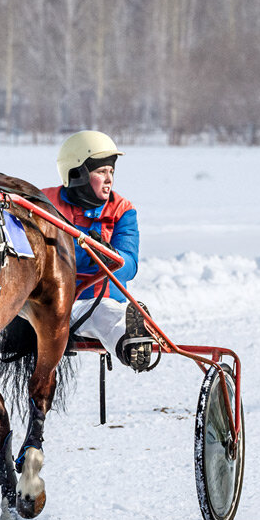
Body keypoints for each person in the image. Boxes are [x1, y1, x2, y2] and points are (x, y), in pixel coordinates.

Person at [43, 130, 154, 371]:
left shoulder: (122, 210)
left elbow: (130, 266)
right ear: (77, 173)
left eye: (111, 171)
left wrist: (107, 254)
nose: (109, 179)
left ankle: (132, 341)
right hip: (45, 302)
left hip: (93, 302)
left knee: (108, 315)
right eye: (101, 171)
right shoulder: (43, 203)